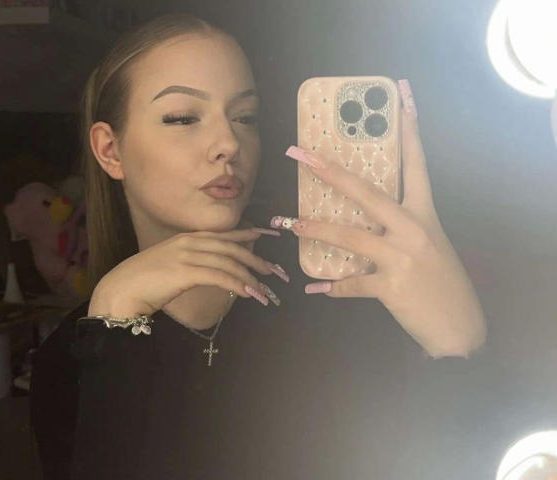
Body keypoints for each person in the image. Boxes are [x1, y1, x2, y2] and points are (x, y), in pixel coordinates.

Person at [30, 12, 486, 479]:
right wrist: (116, 316)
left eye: (245, 117)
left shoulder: (337, 295)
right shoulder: (71, 357)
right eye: (183, 117)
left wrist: (457, 343)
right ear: (110, 150)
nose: (229, 142)